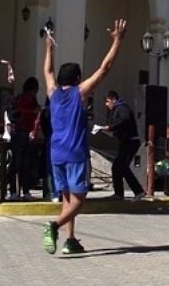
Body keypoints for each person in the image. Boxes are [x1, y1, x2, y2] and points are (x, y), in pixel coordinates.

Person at [41, 18, 127, 256]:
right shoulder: (80, 93)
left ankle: (70, 241)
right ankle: (53, 226)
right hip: (76, 153)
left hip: (56, 153)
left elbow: (47, 71)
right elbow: (104, 68)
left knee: (67, 199)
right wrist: (117, 42)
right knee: (79, 200)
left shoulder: (52, 92)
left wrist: (48, 47)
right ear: (78, 78)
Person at [100, 90, 146, 201]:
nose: (106, 104)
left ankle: (139, 191)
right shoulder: (116, 110)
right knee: (117, 167)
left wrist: (110, 128)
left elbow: (123, 121)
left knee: (121, 166)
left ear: (112, 99)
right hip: (125, 142)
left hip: (130, 142)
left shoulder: (122, 108)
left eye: (107, 101)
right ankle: (119, 193)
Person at [8, 77, 40, 200]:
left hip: (19, 131)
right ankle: (23, 191)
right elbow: (22, 110)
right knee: (22, 163)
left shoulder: (19, 97)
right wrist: (34, 110)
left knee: (17, 163)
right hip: (23, 130)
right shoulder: (28, 97)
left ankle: (14, 192)